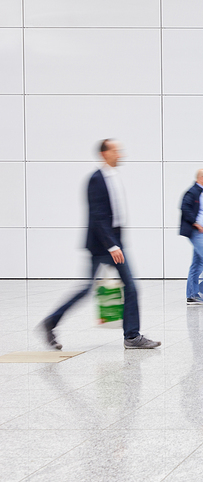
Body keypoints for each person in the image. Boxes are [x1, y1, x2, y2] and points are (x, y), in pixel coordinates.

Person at [39, 140, 160, 350]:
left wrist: (117, 242)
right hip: (103, 245)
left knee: (125, 288)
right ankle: (52, 322)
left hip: (113, 242)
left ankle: (131, 336)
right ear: (104, 154)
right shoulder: (96, 179)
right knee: (107, 288)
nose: (120, 154)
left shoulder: (112, 177)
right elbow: (98, 216)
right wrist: (112, 246)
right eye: (116, 150)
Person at [181, 169, 203, 305]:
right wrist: (196, 224)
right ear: (201, 178)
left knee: (196, 264)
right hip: (197, 232)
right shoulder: (193, 191)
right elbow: (185, 208)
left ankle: (192, 295)